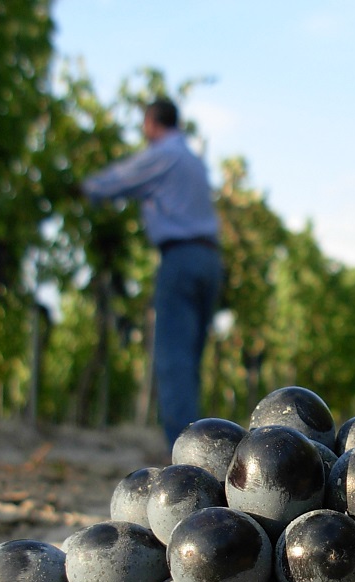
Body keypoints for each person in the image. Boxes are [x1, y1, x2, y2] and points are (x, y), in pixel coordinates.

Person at [79, 97, 223, 450]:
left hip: (180, 258)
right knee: (189, 358)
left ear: (152, 123)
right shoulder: (193, 160)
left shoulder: (164, 154)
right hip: (209, 259)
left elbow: (118, 179)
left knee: (173, 359)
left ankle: (187, 455)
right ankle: (201, 446)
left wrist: (85, 188)